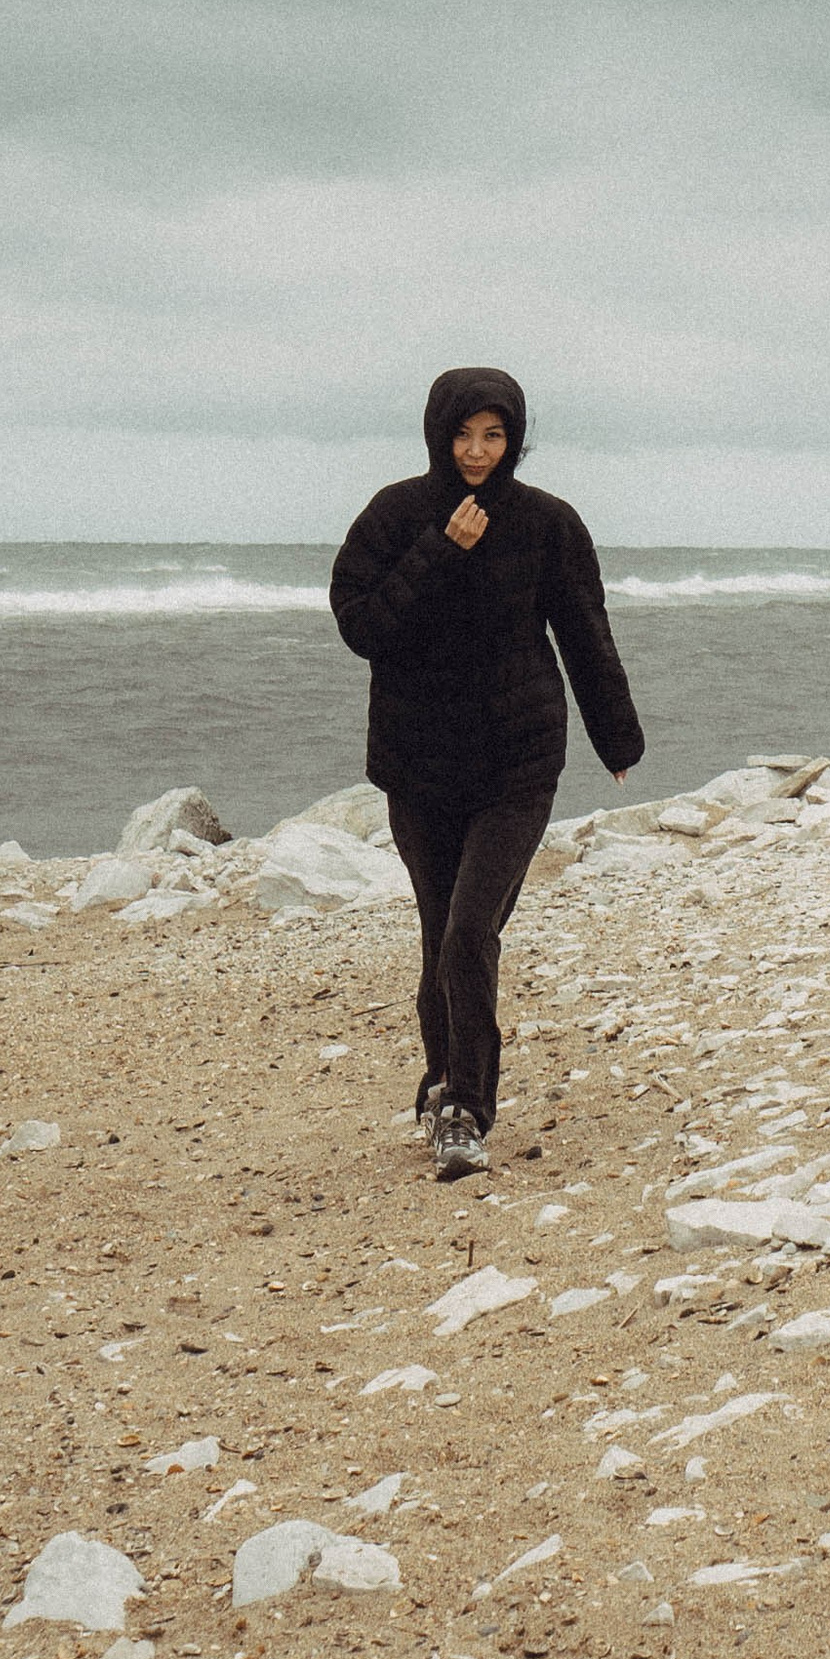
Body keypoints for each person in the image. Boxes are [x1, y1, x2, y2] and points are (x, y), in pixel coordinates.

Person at [330, 366, 643, 1181]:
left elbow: (585, 632)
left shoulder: (546, 524)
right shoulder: (396, 515)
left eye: (494, 435)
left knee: (473, 931)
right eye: (464, 434)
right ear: (439, 432)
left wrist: (618, 741)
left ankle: (467, 1109)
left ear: (515, 438)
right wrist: (438, 551)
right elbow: (361, 627)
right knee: (442, 938)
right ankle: (442, 1083)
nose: (477, 451)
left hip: (518, 759)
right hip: (419, 763)